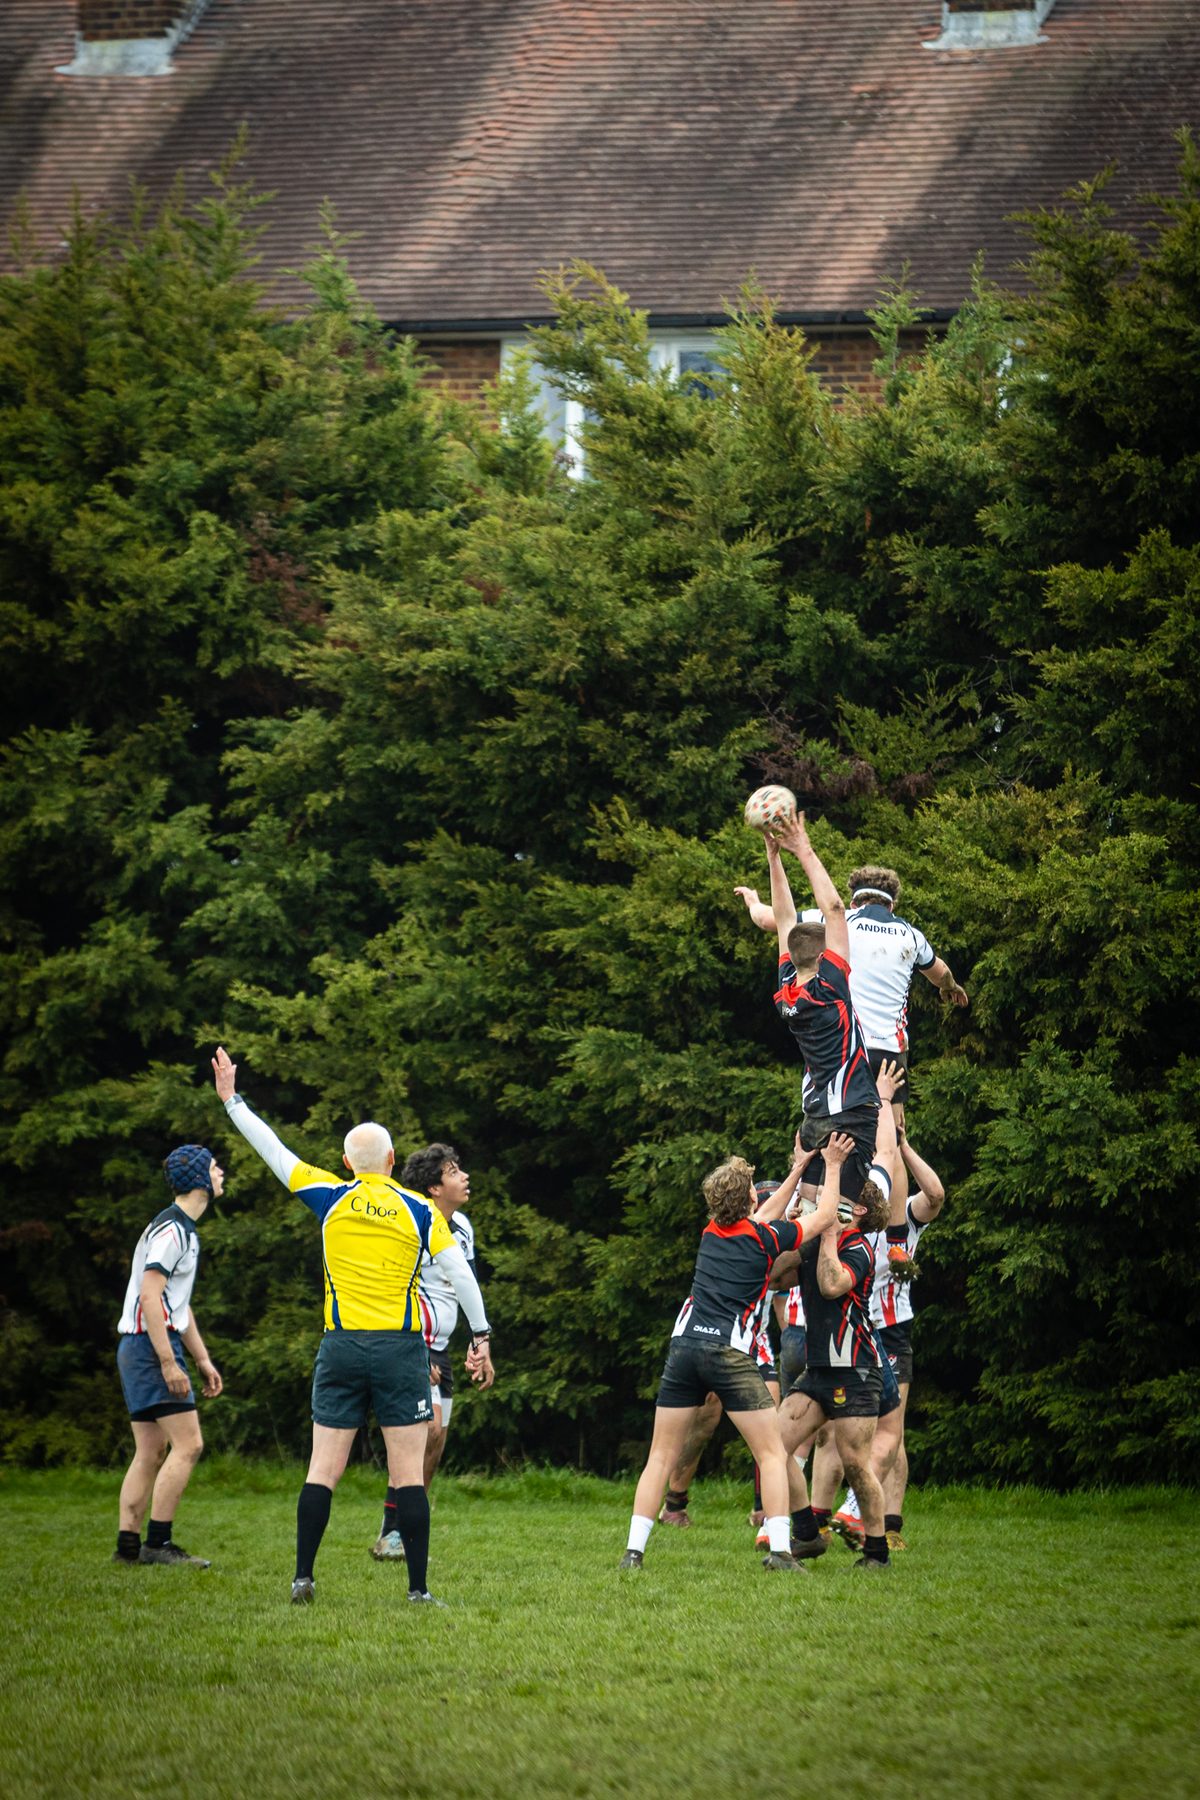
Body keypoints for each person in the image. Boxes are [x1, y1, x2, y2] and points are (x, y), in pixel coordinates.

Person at [211, 1047, 491, 1607]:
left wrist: (232, 1101)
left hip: (339, 1347)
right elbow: (460, 1274)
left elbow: (273, 1149)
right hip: (399, 1351)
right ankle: (417, 1590)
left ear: (346, 1162)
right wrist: (481, 1335)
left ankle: (302, 1579)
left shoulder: (329, 1196)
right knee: (408, 1472)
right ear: (391, 1158)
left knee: (323, 1469)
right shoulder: (420, 1209)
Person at [619, 1133, 851, 1574]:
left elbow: (761, 1212)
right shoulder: (768, 1238)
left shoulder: (712, 1232)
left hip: (684, 1346)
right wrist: (833, 1165)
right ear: (748, 1197)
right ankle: (781, 1552)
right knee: (770, 1453)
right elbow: (822, 1217)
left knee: (660, 1456)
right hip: (728, 1352)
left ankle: (634, 1553)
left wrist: (798, 1168)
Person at [737, 860, 967, 1132]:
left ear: (853, 901)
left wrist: (753, 901)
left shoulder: (834, 921)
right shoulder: (911, 935)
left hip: (841, 1045)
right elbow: (941, 972)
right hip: (889, 1052)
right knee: (892, 1141)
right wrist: (950, 987)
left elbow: (768, 919)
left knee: (833, 1134)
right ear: (891, 905)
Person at [777, 1089, 899, 1571]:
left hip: (857, 1371)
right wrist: (795, 1219)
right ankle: (805, 1530)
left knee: (855, 1465)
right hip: (818, 1369)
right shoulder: (820, 1237)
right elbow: (778, 1275)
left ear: (859, 1214)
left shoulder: (859, 1249)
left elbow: (830, 1287)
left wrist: (825, 1232)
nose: (834, 1207)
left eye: (844, 1206)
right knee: (773, 1445)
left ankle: (876, 1551)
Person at [371, 1141, 495, 1560]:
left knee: (436, 1441)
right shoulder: (408, 1227)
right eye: (454, 1171)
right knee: (424, 1432)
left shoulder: (463, 1228)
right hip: (412, 1344)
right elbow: (390, 1291)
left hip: (442, 1347)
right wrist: (417, 1354)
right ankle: (391, 1530)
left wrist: (478, 1344)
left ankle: (409, 1524)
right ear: (434, 1187)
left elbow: (467, 1286)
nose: (464, 1177)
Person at [830, 1125, 946, 1551]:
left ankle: (887, 1523)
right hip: (858, 1330)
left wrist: (903, 1146)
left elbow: (935, 1195)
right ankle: (840, 1513)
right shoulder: (854, 1227)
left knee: (891, 1432)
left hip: (893, 1330)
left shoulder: (906, 1225)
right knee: (858, 1432)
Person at [655, 1178, 792, 1537]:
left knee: (771, 1423)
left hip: (755, 1342)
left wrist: (796, 1347)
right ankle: (675, 1501)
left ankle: (765, 1512)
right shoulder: (738, 1236)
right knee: (704, 1420)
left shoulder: (773, 1238)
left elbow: (783, 1309)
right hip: (718, 1337)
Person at [114, 1144, 224, 1568]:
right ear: (199, 1180)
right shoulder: (173, 1230)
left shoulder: (182, 1228)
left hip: (140, 1346)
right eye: (215, 1169)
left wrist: (201, 1359)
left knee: (150, 1450)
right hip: (148, 1348)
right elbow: (149, 1294)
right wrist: (167, 1361)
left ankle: (128, 1548)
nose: (221, 1174)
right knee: (189, 1444)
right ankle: (157, 1545)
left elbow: (177, 1304)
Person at [761, 814, 882, 1201]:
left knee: (808, 1216)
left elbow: (783, 918)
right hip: (852, 1113)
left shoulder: (786, 994)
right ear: (824, 954)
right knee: (841, 1219)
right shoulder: (831, 984)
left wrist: (773, 858)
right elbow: (832, 907)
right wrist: (803, 849)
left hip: (815, 1117)